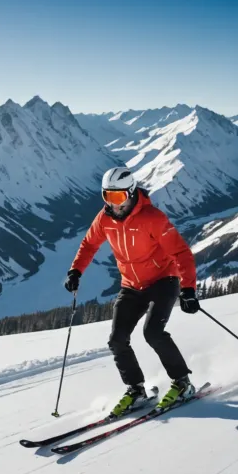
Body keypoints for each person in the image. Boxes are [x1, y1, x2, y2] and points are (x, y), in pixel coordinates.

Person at [63, 167, 201, 415]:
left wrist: (189, 289)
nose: (112, 204)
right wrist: (76, 271)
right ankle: (136, 390)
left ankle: (182, 383)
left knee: (153, 333)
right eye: (107, 196)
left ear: (131, 193)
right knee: (117, 340)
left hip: (162, 281)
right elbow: (89, 244)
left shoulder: (153, 218)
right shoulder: (104, 219)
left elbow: (180, 253)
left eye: (117, 198)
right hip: (130, 285)